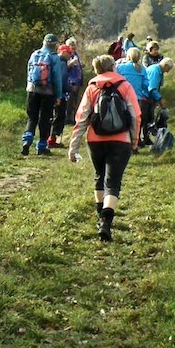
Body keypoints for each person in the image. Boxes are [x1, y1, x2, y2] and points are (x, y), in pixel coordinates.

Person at [68, 55, 140, 242]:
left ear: (96, 69)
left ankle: (100, 217)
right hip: (120, 140)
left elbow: (81, 117)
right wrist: (134, 140)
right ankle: (106, 222)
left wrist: (73, 147)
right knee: (113, 182)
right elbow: (135, 115)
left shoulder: (92, 87)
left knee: (100, 176)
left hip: (95, 140)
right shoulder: (124, 86)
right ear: (113, 66)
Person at [21, 33, 66, 156]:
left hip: (32, 90)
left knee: (32, 117)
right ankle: (41, 146)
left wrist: (29, 87)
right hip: (48, 92)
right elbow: (57, 78)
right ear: (55, 45)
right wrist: (58, 96)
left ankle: (27, 140)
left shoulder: (34, 54)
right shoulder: (54, 57)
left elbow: (29, 72)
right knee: (45, 119)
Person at [49, 37, 84, 148]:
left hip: (53, 92)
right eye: (68, 53)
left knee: (55, 116)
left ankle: (50, 139)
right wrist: (69, 88)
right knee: (59, 117)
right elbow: (62, 80)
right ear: (63, 52)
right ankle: (54, 139)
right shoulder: (62, 63)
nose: (70, 55)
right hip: (61, 94)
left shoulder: (55, 61)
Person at [115, 46, 151, 147]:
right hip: (137, 98)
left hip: (122, 97)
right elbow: (146, 85)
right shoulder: (142, 69)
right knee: (136, 121)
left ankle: (123, 141)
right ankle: (136, 141)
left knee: (123, 120)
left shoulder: (120, 67)